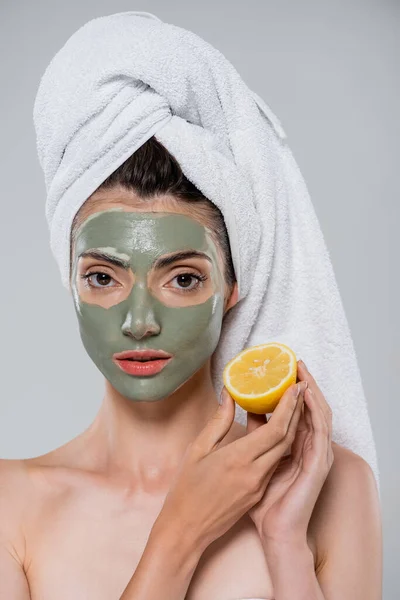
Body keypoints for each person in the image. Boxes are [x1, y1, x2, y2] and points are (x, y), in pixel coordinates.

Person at [0, 136, 381, 599]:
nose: (139, 323)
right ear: (72, 286)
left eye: (183, 279)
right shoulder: (9, 505)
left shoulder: (332, 487)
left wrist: (286, 547)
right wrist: (181, 532)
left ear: (232, 290)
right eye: (102, 277)